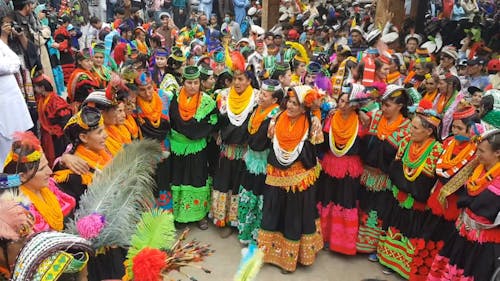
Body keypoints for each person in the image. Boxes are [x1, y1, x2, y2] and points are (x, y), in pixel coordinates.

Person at [257, 85, 323, 274]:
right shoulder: (277, 118)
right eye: (289, 102)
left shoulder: (312, 124)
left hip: (298, 180)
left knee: (293, 217)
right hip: (276, 176)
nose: (291, 106)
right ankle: (269, 253)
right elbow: (271, 139)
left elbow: (314, 151)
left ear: (304, 108)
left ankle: (289, 259)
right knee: (273, 212)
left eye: (296, 104)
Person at [377, 99, 443, 279]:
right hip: (400, 196)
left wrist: (413, 191)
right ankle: (388, 260)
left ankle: (404, 266)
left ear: (429, 131)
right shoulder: (406, 142)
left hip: (417, 203)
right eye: (411, 126)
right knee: (395, 225)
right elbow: (396, 167)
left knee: (410, 231)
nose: (410, 131)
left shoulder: (437, 150)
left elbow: (430, 181)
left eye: (415, 128)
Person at [428, 129, 500, 281]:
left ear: (497, 153)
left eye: (481, 151)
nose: (477, 154)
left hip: (484, 241)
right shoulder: (477, 169)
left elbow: (486, 208)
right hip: (463, 232)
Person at [357, 85, 411, 259]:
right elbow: (362, 108)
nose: (384, 108)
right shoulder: (376, 116)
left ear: (399, 106)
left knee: (377, 211)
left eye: (388, 105)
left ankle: (372, 247)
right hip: (366, 173)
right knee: (362, 205)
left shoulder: (406, 127)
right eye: (383, 104)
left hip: (384, 178)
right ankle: (355, 242)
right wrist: (362, 110)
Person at [211, 50, 258, 237]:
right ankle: (222, 220)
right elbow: (214, 119)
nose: (237, 83)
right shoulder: (222, 96)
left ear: (249, 80)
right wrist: (216, 133)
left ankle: (236, 221)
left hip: (245, 152)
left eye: (241, 79)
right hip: (226, 150)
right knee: (224, 183)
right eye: (235, 79)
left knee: (239, 185)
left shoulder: (256, 97)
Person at [169, 66, 218, 229]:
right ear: (183, 83)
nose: (192, 86)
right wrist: (189, 130)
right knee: (179, 179)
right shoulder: (175, 98)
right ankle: (179, 215)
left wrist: (194, 131)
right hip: (178, 148)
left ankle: (199, 215)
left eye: (195, 83)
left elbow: (211, 123)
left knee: (197, 179)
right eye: (189, 82)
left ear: (200, 84)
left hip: (197, 148)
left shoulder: (207, 102)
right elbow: (173, 121)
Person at [317, 88, 364, 255]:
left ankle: (341, 243)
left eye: (348, 102)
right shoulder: (331, 118)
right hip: (330, 164)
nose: (343, 105)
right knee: (327, 198)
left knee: (344, 201)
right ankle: (323, 237)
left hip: (349, 168)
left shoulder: (360, 121)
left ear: (355, 105)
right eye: (341, 101)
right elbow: (322, 142)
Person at [237, 79, 283, 244]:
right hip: (251, 161)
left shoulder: (275, 116)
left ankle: (257, 236)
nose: (260, 96)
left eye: (265, 95)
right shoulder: (257, 110)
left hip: (265, 165)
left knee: (259, 198)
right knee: (248, 195)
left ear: (275, 100)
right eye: (261, 93)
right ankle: (246, 232)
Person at [3, 131, 75, 233]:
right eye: (41, 169)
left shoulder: (50, 186)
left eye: (47, 165)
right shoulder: (19, 211)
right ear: (22, 177)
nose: (50, 172)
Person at [133, 71, 172, 212]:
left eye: (149, 88)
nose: (147, 93)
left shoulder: (165, 97)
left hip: (165, 146)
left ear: (153, 86)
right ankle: (151, 216)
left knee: (164, 179)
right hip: (146, 149)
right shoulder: (134, 105)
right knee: (150, 181)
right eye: (142, 90)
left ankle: (166, 213)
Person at [0, 23, 33, 169]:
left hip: (13, 103)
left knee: (19, 139)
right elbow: (6, 66)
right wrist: (11, 64)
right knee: (5, 147)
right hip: (3, 105)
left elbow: (15, 60)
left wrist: (11, 64)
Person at [32, 73, 72, 167]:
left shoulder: (55, 100)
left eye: (35, 87)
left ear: (42, 87)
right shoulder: (42, 99)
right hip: (47, 135)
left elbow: (65, 120)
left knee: (59, 157)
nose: (34, 89)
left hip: (57, 137)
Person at [434, 74, 464, 140]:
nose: (438, 86)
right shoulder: (439, 96)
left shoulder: (460, 101)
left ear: (450, 85)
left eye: (441, 84)